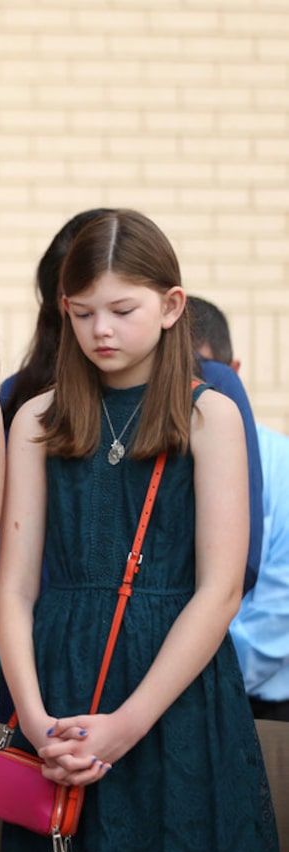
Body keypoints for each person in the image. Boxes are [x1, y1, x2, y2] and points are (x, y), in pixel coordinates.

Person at [0, 209, 279, 852]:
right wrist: (32, 719)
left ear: (170, 306)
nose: (100, 331)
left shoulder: (209, 414)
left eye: (122, 310)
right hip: (61, 689)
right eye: (81, 311)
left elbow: (218, 591)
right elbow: (16, 585)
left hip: (175, 693)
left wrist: (126, 724)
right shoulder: (36, 417)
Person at [189, 295, 289, 721]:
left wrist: (198, 672)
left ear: (232, 376)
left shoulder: (280, 463)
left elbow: (279, 604)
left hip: (260, 700)